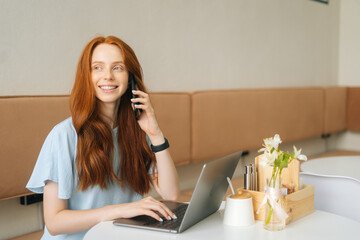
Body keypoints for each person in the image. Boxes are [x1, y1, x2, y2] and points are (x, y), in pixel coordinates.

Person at [26, 35, 180, 239]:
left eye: (117, 68)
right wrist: (119, 210)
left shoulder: (137, 131)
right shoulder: (63, 135)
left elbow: (172, 195)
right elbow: (54, 222)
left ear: (130, 78)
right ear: (86, 76)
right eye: (97, 67)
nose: (107, 76)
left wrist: (156, 134)